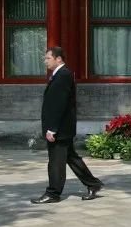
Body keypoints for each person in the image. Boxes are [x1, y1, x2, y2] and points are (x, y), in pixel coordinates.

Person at [31, 47, 104, 204]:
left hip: (60, 128)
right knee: (72, 158)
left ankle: (53, 193)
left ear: (58, 59)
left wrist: (52, 129)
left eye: (48, 58)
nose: (45, 61)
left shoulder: (63, 75)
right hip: (63, 127)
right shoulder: (59, 74)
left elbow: (60, 104)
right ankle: (93, 184)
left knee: (56, 162)